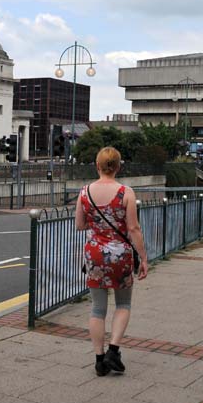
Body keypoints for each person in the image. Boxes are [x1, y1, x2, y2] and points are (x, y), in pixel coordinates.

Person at [75, 146, 149, 376]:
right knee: (123, 305)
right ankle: (113, 350)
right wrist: (144, 258)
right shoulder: (126, 192)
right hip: (121, 256)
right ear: (118, 166)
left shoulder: (84, 192)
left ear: (97, 166)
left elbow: (79, 225)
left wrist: (97, 227)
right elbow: (133, 228)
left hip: (95, 255)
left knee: (97, 308)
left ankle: (99, 360)